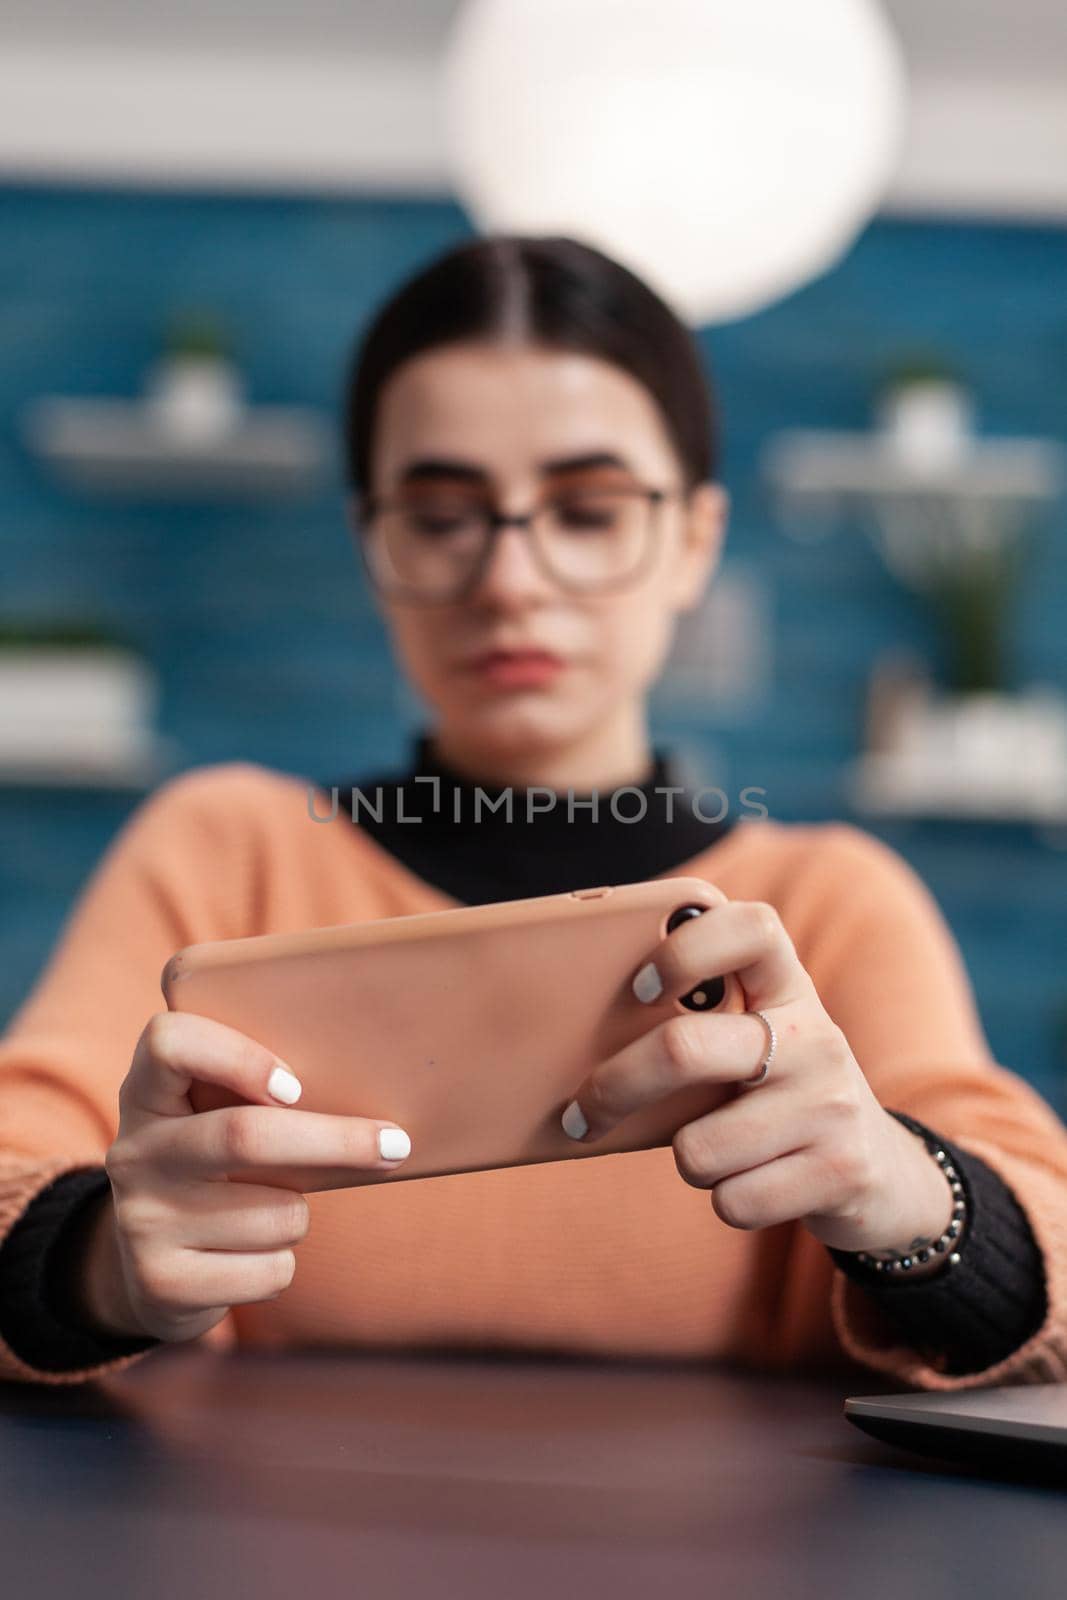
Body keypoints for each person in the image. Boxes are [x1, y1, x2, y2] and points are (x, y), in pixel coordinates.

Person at [1, 235, 1065, 1391]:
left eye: (589, 510)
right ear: (374, 544)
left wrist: (913, 1199)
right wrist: (105, 1263)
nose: (510, 578)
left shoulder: (828, 904)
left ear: (692, 541)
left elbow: (1045, 1249)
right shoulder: (221, 855)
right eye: (444, 513)